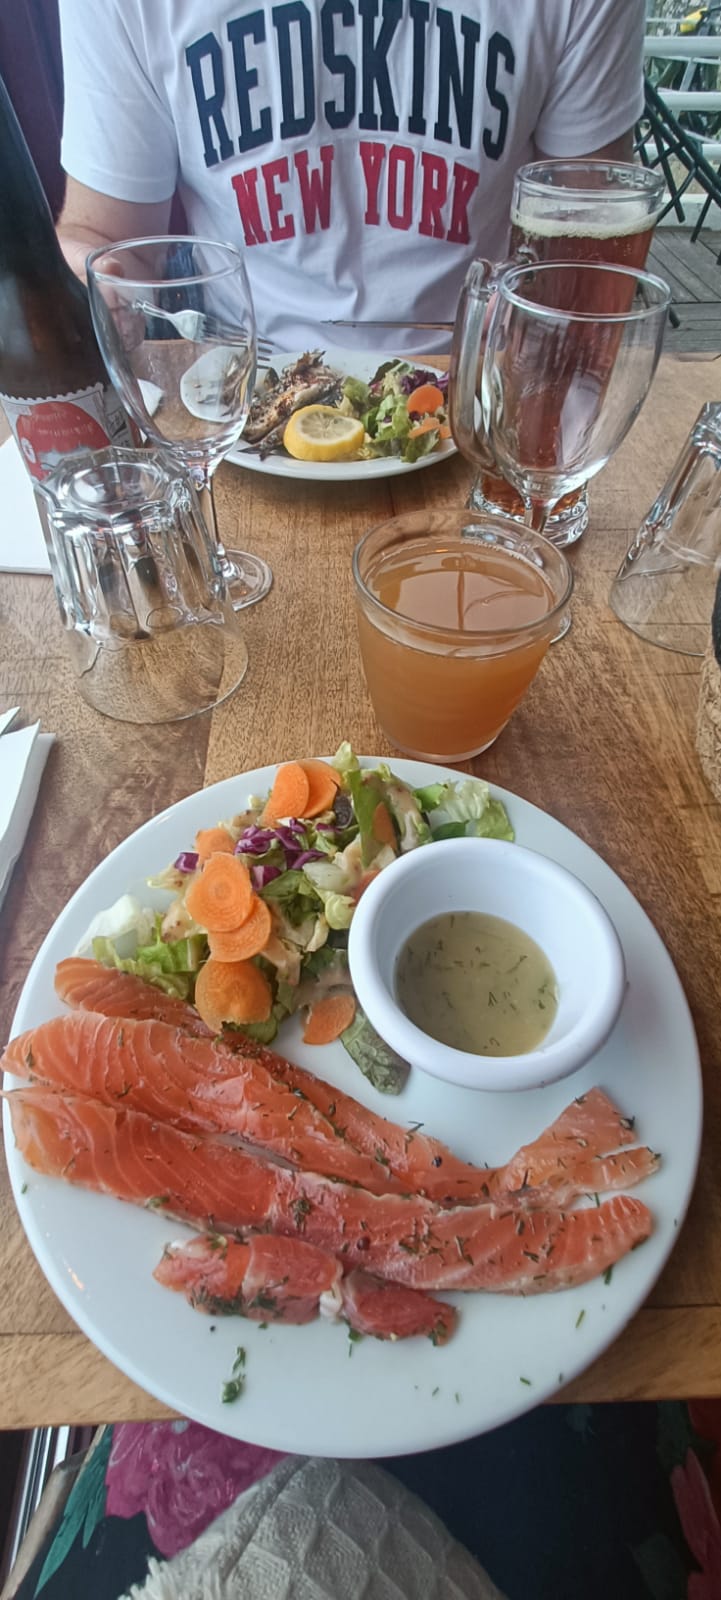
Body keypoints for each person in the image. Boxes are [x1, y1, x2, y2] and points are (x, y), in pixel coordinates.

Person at [56, 0, 646, 353]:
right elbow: (106, 240)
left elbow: (591, 237)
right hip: (240, 390)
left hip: (473, 388)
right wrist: (92, 281)